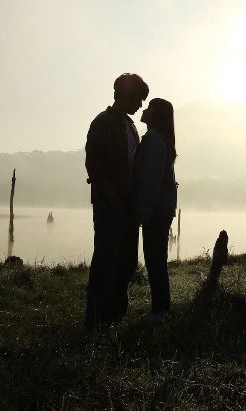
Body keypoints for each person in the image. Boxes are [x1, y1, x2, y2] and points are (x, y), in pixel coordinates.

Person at [84, 73, 149, 328]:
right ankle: (97, 317)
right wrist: (110, 193)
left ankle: (115, 314)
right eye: (138, 99)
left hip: (128, 204)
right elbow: (94, 163)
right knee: (106, 259)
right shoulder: (102, 123)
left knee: (127, 260)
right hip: (110, 204)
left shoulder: (130, 126)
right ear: (124, 96)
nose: (140, 106)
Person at [133, 97, 178, 323]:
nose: (144, 109)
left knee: (154, 260)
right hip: (162, 210)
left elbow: (150, 181)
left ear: (156, 115)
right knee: (157, 258)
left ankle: (160, 311)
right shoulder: (161, 140)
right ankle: (161, 308)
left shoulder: (153, 141)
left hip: (156, 212)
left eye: (150, 107)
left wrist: (143, 214)